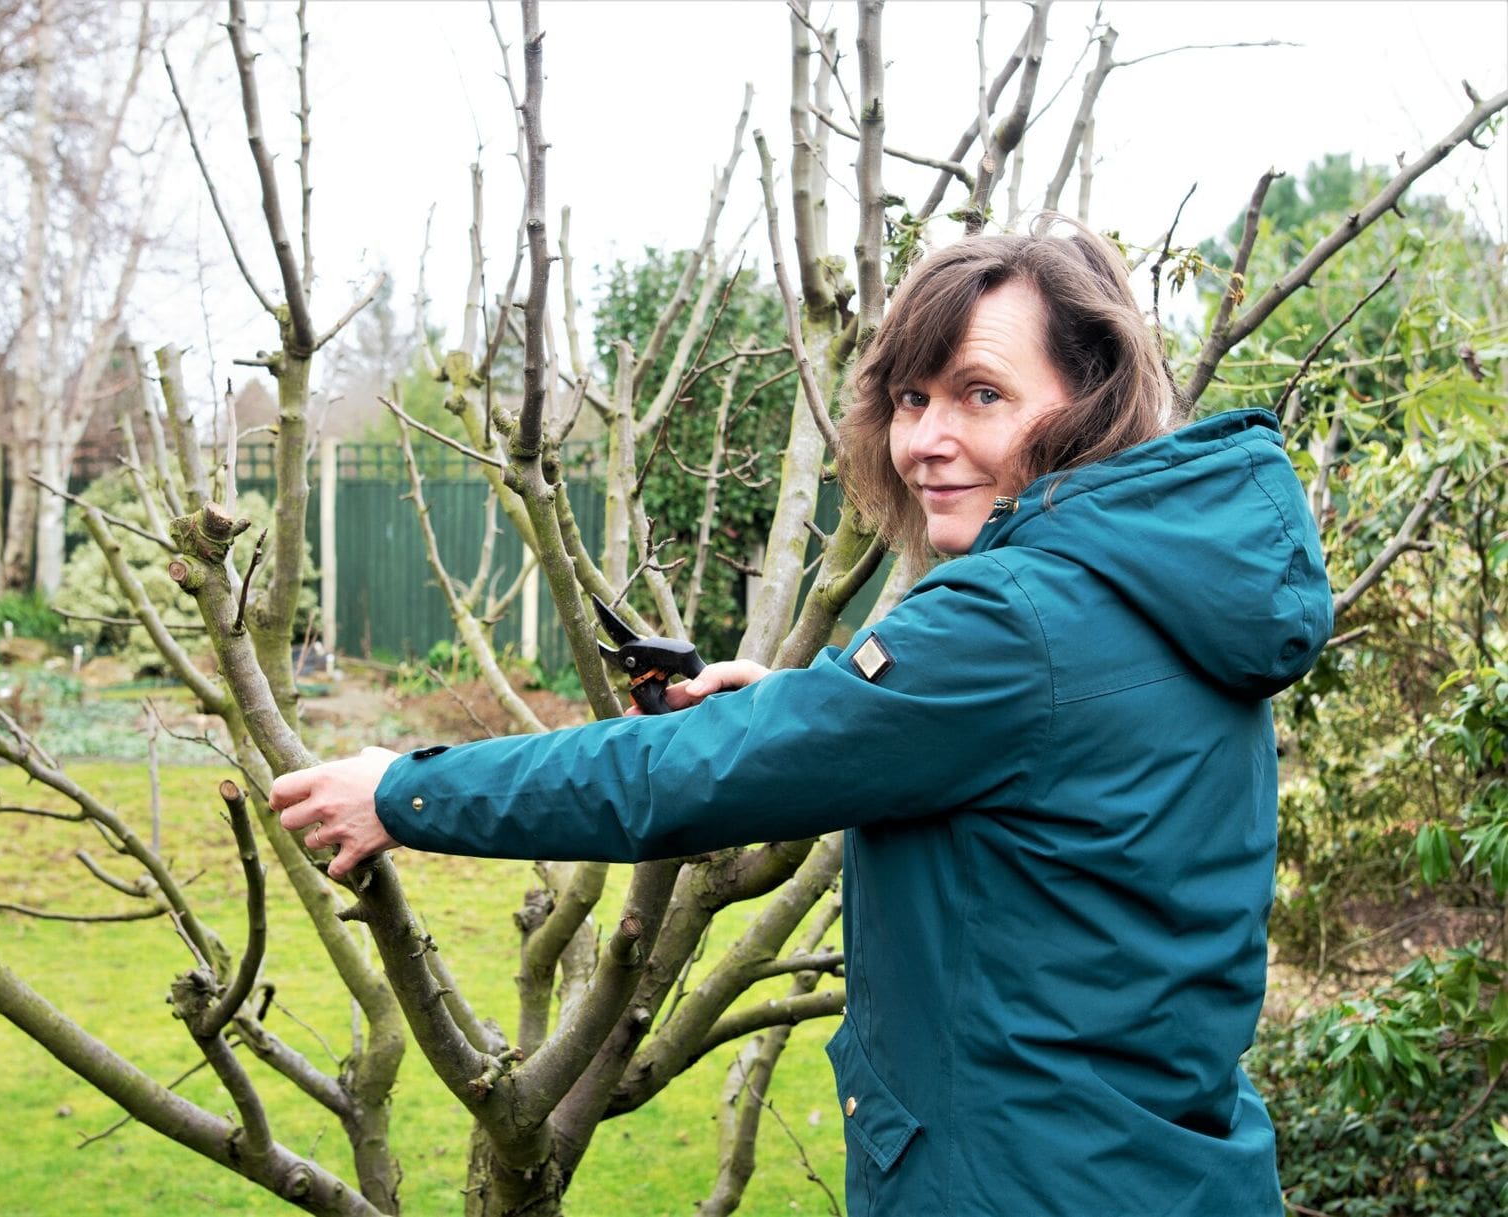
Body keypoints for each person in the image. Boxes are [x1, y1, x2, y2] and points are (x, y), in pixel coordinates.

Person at [271, 213, 1332, 1216]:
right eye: (911, 400)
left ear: (1091, 399)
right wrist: (790, 699)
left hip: (1017, 1179)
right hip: (1165, 1163)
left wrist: (406, 789)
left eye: (981, 394)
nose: (927, 439)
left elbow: (678, 775)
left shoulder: (1014, 618)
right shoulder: (1169, 594)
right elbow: (1026, 742)